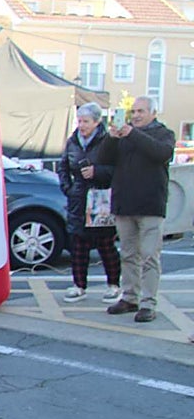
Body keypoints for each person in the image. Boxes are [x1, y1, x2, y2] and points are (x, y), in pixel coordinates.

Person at [99, 96, 176, 322]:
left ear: (153, 113)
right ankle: (129, 297)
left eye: (141, 111)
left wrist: (132, 133)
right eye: (134, 111)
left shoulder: (163, 134)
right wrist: (111, 138)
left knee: (150, 256)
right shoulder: (125, 135)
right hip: (125, 204)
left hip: (150, 205)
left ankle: (148, 303)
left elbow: (161, 153)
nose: (136, 115)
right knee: (129, 255)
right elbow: (104, 159)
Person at [58, 103, 121, 304]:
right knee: (78, 245)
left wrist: (98, 172)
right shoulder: (72, 141)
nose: (82, 125)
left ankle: (113, 285)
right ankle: (79, 286)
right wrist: (68, 188)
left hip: (101, 198)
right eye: (80, 121)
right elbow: (63, 168)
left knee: (106, 246)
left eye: (86, 121)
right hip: (78, 198)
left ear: (97, 122)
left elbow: (118, 169)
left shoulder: (108, 141)